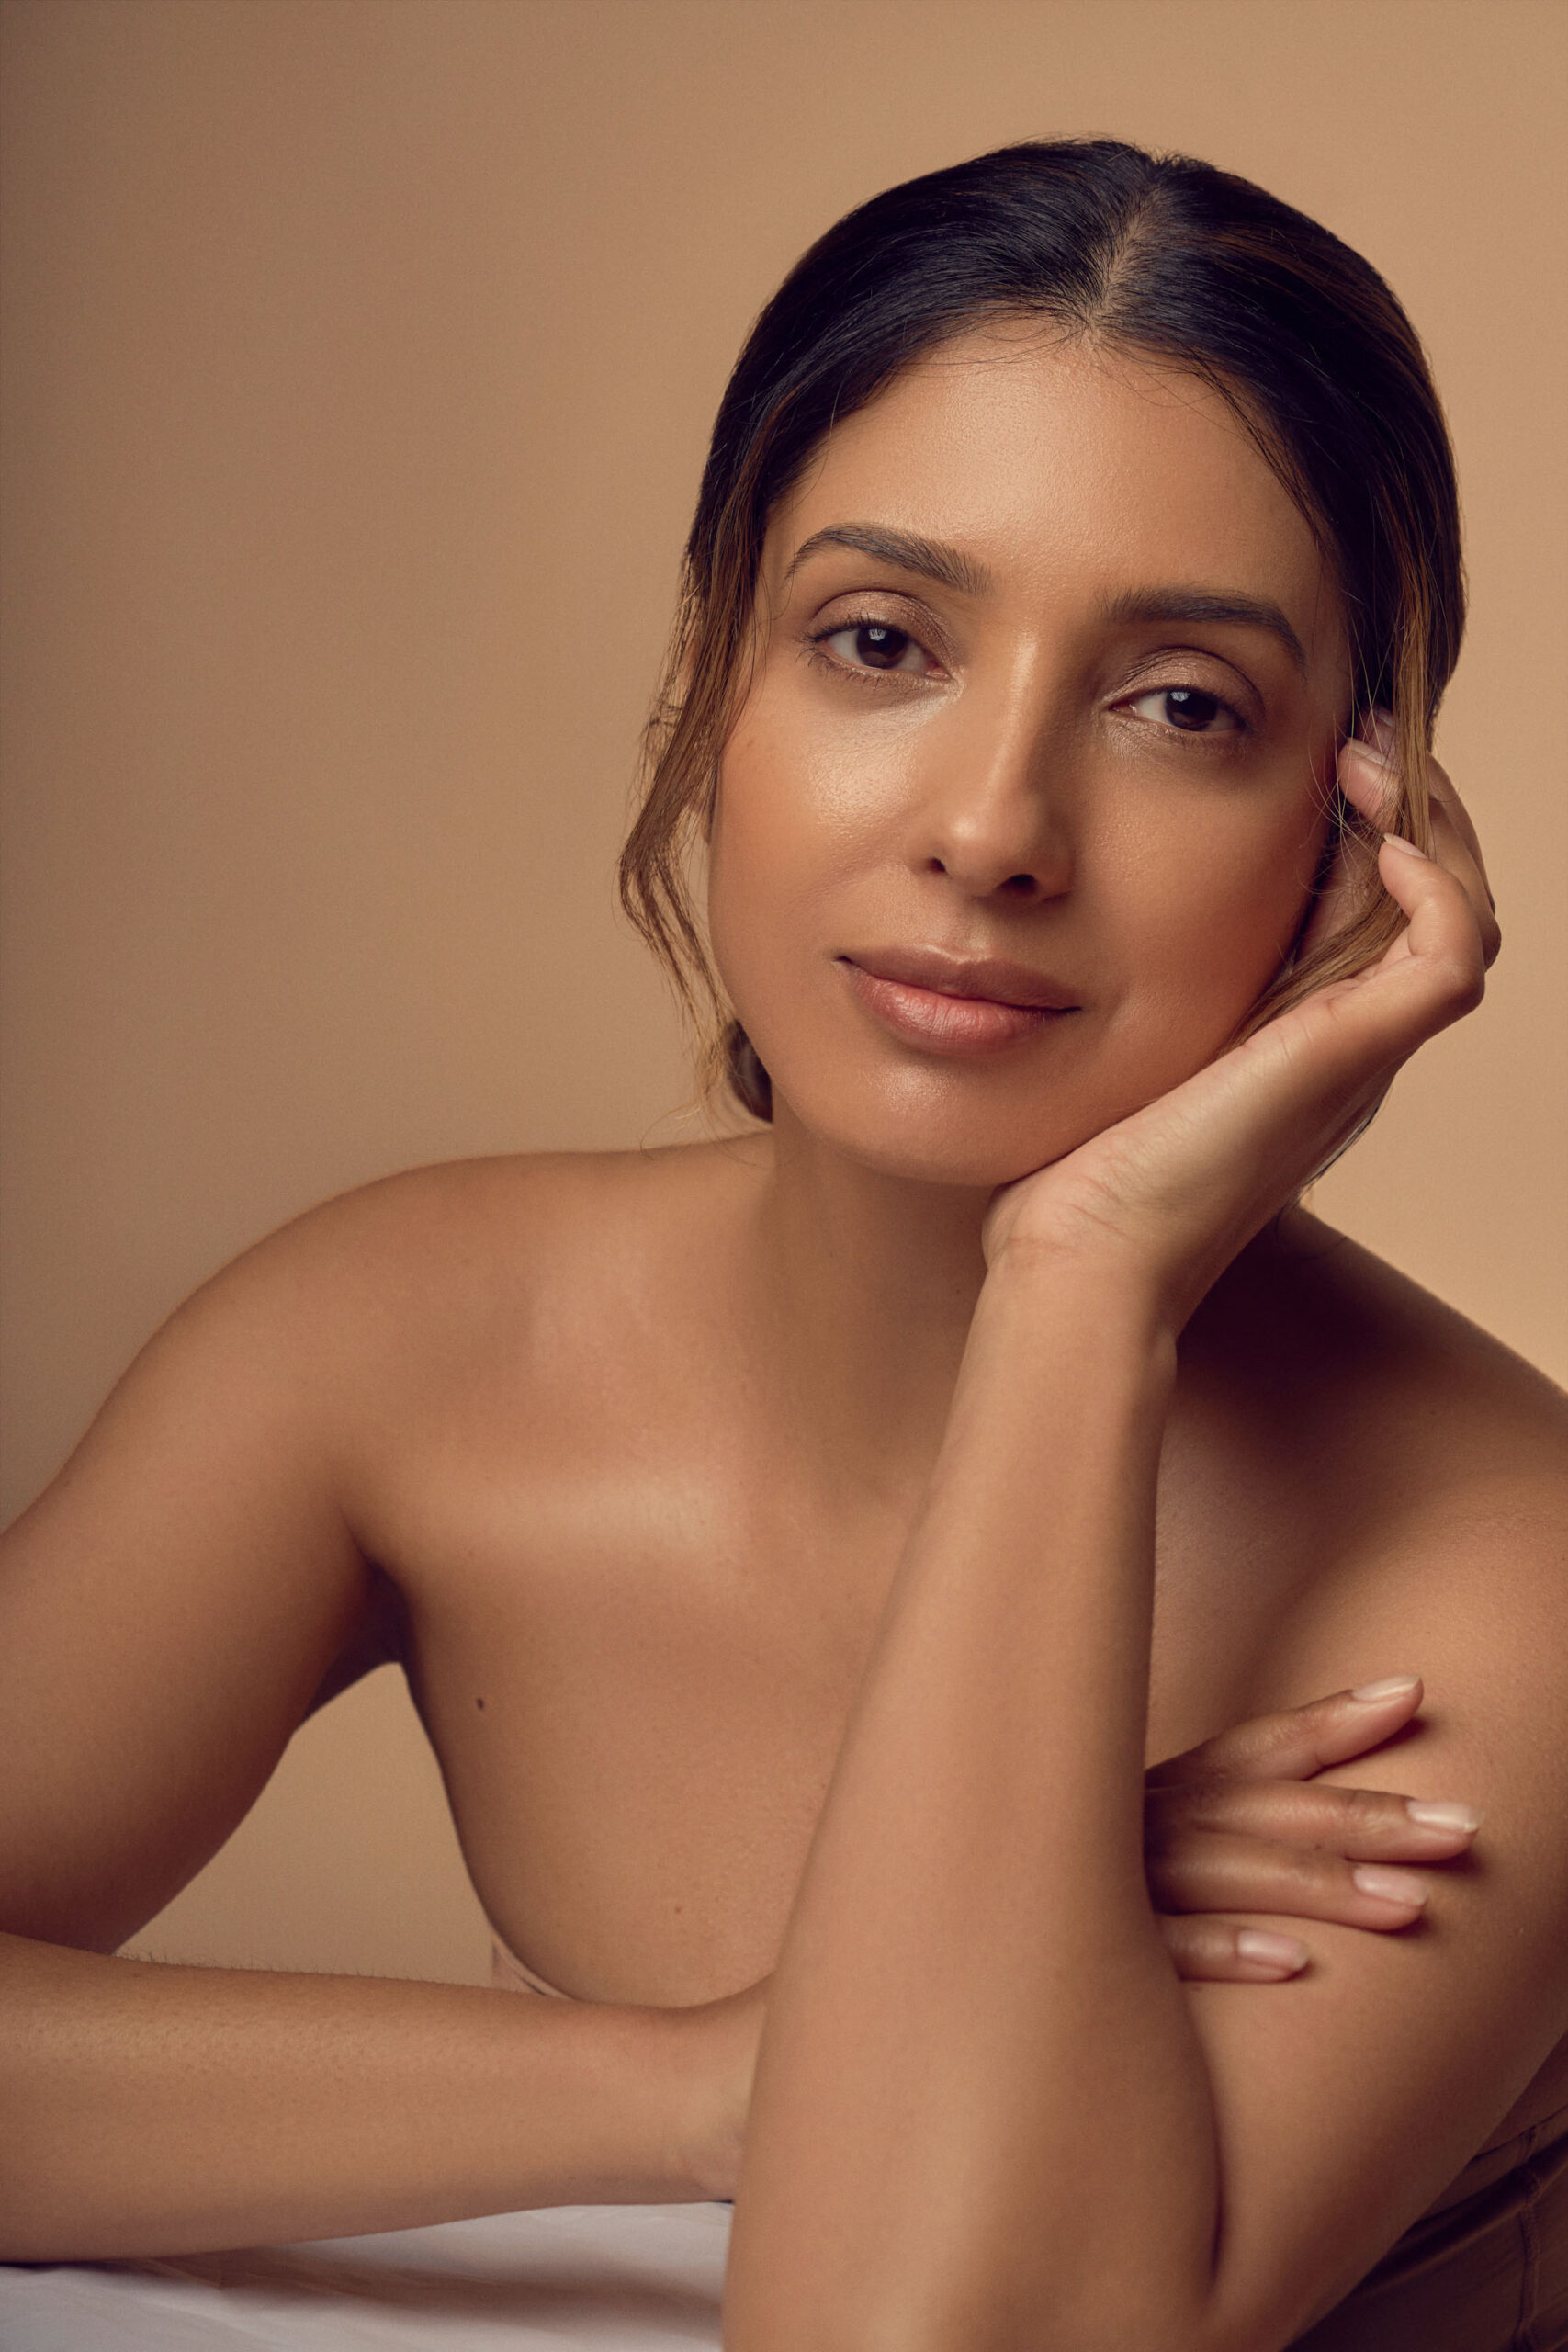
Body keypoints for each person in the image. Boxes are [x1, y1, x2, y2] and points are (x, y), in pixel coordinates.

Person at [1, 137, 1562, 2351]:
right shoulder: (398, 1347)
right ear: (706, 688)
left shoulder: (1497, 1574)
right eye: (876, 640)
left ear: (1355, 830)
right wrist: (712, 2072)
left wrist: (1078, 1289)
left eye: (1181, 703)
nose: (989, 824)